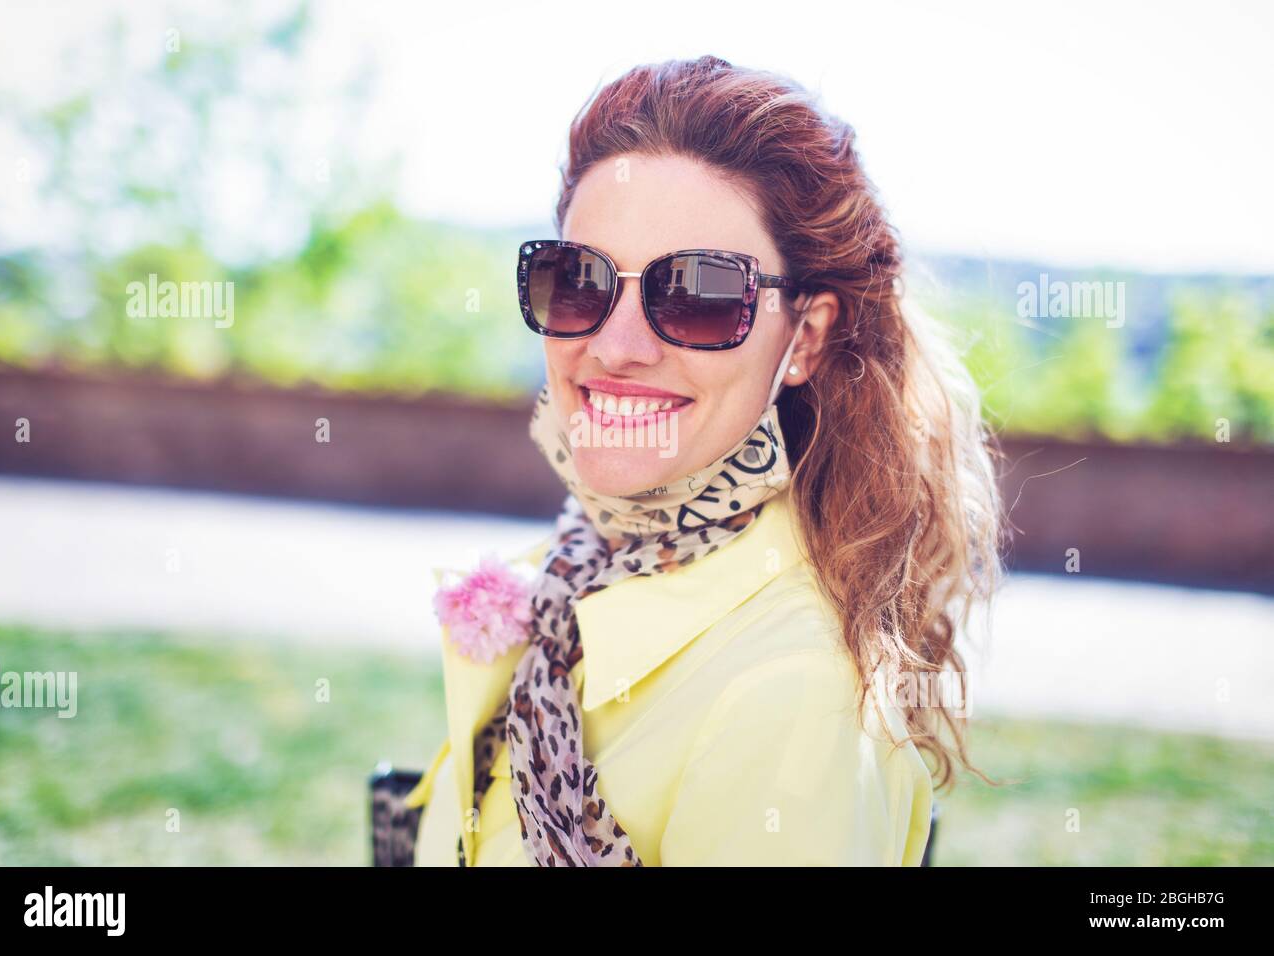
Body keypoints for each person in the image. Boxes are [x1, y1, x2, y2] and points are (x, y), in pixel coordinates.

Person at [404, 54, 1002, 866]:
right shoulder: (572, 575)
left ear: (807, 338)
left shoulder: (790, 700)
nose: (613, 348)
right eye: (579, 280)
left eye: (697, 293)